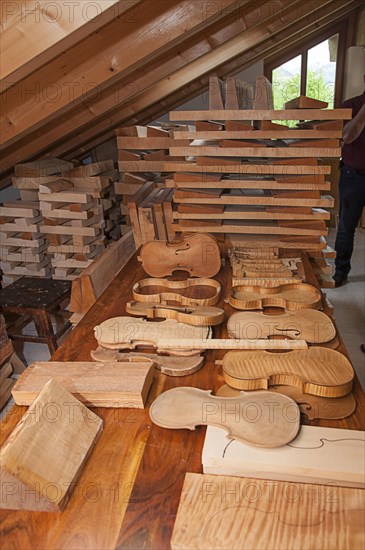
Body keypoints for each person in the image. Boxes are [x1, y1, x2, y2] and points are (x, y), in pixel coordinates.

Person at [333, 75, 365, 287]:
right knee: (346, 227)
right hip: (353, 176)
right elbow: (347, 136)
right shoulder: (350, 106)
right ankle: (341, 270)